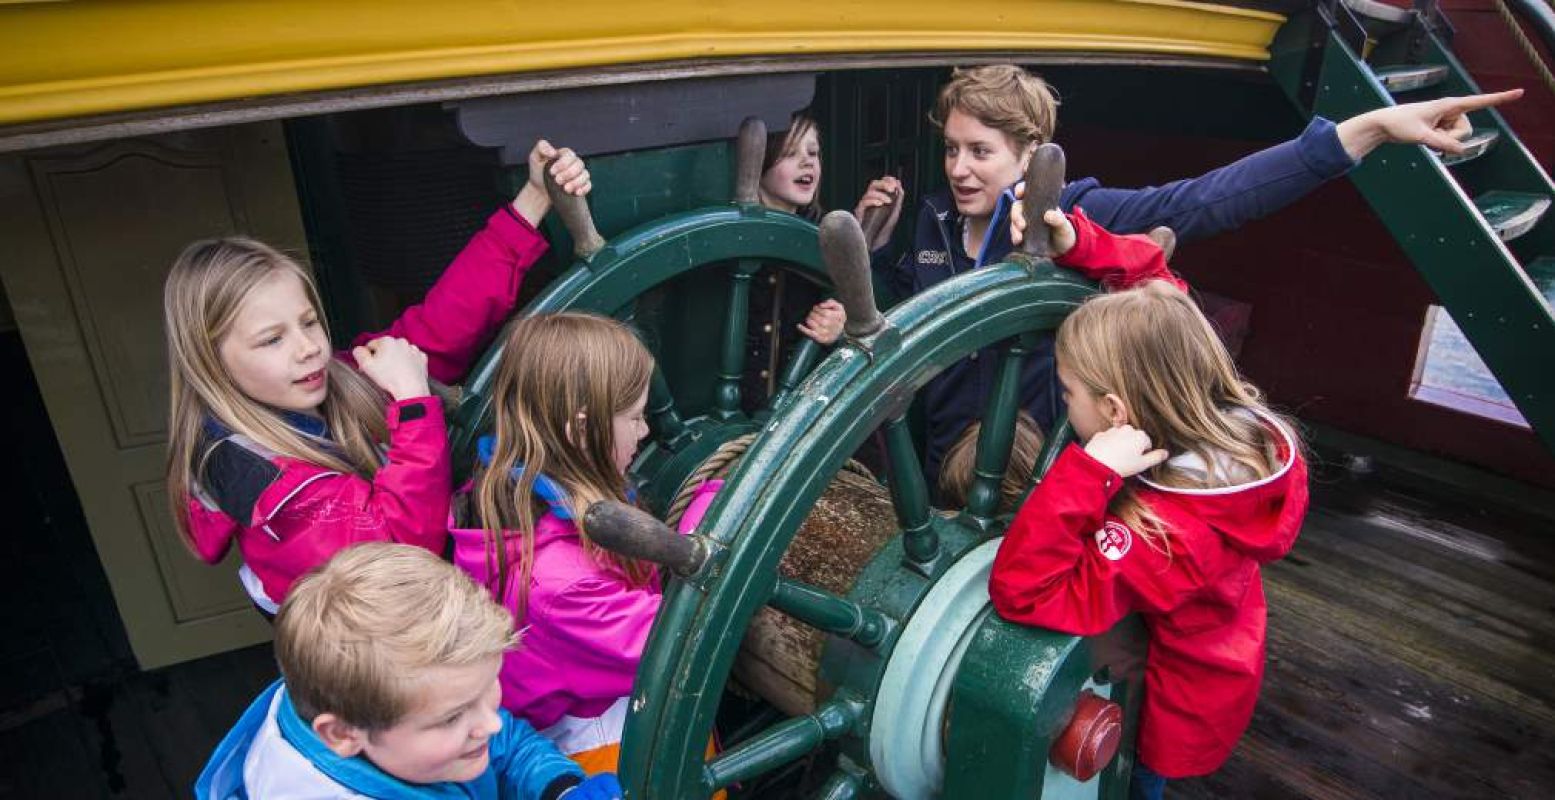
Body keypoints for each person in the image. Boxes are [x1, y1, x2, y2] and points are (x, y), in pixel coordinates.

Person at [855, 64, 1523, 483]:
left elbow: (1202, 201)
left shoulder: (1080, 211)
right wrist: (876, 256)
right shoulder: (932, 218)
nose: (959, 168)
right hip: (942, 460)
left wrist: (1368, 128)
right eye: (950, 149)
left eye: (980, 151)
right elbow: (917, 316)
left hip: (1044, 466)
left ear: (1030, 153)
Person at [165, 140, 590, 615]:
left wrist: (532, 202)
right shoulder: (262, 481)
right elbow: (401, 550)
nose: (308, 347)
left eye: (308, 323)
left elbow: (436, 330)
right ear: (211, 362)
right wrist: (412, 405)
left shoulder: (331, 380)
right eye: (272, 340)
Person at [988, 278, 1309, 800]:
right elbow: (1165, 290)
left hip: (1163, 706)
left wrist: (1089, 474)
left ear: (1116, 413)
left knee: (1132, 787)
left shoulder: (1165, 536)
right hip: (1220, 655)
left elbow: (1024, 591)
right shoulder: (1232, 450)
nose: (1064, 404)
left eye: (1068, 393)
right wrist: (1083, 243)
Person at [450, 313, 694, 778]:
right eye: (635, 417)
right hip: (609, 757)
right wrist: (713, 517)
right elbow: (674, 643)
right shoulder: (561, 585)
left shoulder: (507, 503)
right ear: (582, 430)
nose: (645, 432)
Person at [195, 542, 623, 799]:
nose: (490, 722)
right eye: (454, 717)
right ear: (342, 735)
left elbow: (505, 741)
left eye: (487, 688)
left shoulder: (366, 697)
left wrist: (560, 787)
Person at [745, 108, 846, 408]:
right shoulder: (733, 237)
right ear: (760, 162)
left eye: (814, 152)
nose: (808, 161)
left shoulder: (827, 237)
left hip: (802, 413)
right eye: (790, 153)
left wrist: (840, 331)